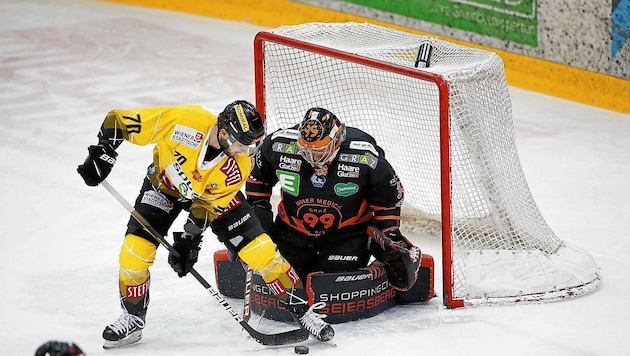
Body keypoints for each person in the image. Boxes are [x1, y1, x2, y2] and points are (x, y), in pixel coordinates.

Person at [77, 101, 334, 349]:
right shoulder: (186, 121)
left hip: (211, 199)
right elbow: (117, 121)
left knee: (263, 252)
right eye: (242, 144)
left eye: (253, 145)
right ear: (223, 133)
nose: (247, 152)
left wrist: (190, 239)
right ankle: (132, 318)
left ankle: (303, 312)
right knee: (134, 253)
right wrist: (103, 153)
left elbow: (207, 207)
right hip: (164, 187)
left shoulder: (240, 164)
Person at [244, 107, 422, 293]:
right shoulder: (277, 144)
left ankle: (387, 249)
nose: (311, 157)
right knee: (285, 275)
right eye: (305, 150)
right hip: (292, 231)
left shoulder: (365, 157)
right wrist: (257, 212)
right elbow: (258, 179)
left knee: (330, 283)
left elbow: (389, 199)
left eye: (320, 151)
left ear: (336, 142)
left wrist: (390, 234)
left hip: (347, 235)